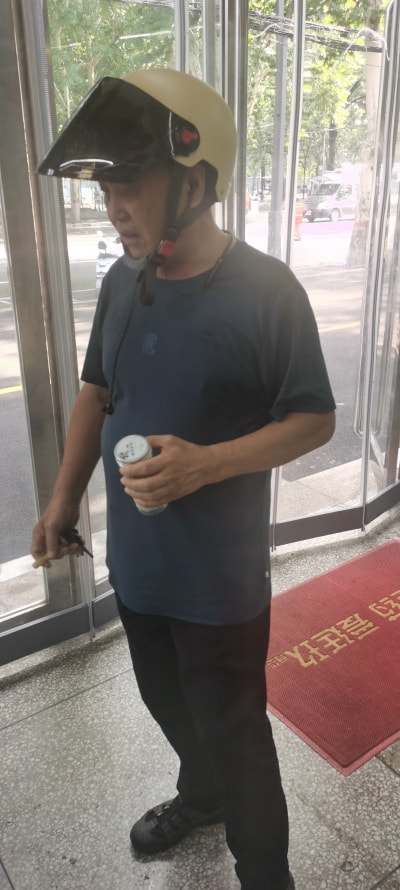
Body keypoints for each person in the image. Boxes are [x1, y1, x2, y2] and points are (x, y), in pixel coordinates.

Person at [32, 69, 336, 890]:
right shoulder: (122, 283)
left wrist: (207, 462)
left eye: (129, 185)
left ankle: (265, 873)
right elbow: (96, 393)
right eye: (104, 190)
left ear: (195, 182)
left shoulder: (266, 291)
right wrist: (62, 500)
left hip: (218, 586)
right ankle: (200, 796)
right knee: (167, 704)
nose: (113, 208)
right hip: (139, 569)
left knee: (239, 737)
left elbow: (314, 419)